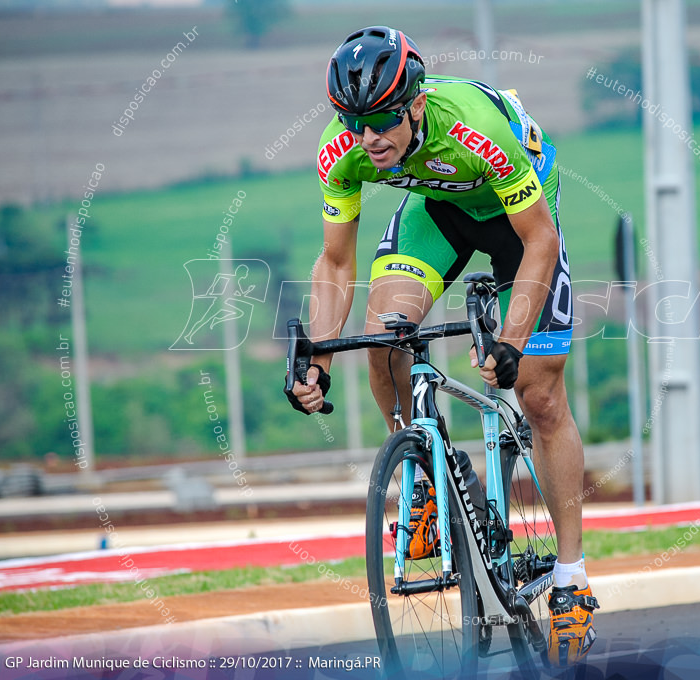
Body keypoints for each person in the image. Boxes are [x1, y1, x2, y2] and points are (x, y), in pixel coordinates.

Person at [288, 25, 597, 667]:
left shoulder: (471, 128)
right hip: (439, 211)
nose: (367, 137)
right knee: (386, 333)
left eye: (380, 121)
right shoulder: (340, 150)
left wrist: (510, 343)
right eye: (353, 121)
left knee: (537, 393)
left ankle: (571, 581)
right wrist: (317, 352)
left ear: (417, 104)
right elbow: (337, 263)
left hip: (521, 215)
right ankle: (418, 481)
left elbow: (541, 240)